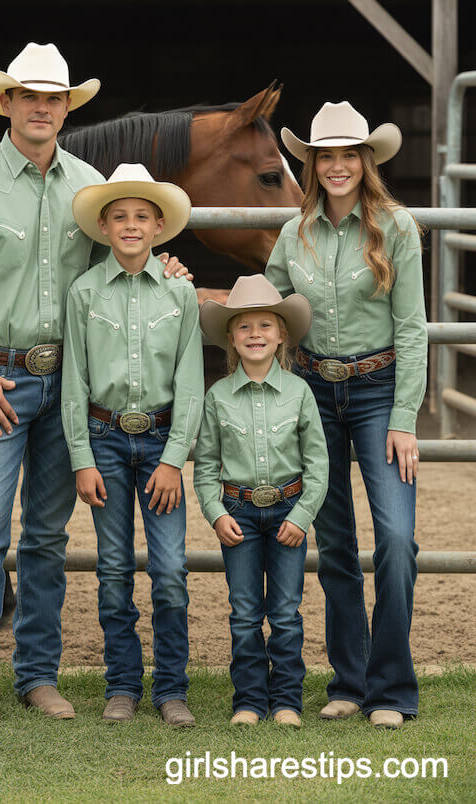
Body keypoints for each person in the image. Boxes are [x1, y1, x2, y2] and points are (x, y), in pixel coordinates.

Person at [0, 44, 190, 734]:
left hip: (66, 384)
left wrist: (168, 271)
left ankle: (37, 675)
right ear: (6, 103)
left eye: (55, 99)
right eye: (30, 97)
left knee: (44, 535)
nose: (43, 108)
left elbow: (121, 266)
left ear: (67, 109)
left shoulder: (89, 188)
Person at [266, 101, 428, 729]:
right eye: (324, 156)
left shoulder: (396, 227)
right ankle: (350, 681)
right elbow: (272, 310)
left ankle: (392, 687)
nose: (337, 166)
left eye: (347, 155)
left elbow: (413, 328)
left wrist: (405, 417)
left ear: (366, 161)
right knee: (334, 541)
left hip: (379, 391)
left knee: (394, 539)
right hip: (313, 394)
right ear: (312, 164)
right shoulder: (293, 234)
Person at [62, 163, 204, 727]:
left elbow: (192, 380)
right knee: (115, 568)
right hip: (105, 441)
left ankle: (172, 688)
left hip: (163, 441)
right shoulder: (84, 292)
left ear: (159, 226)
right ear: (103, 225)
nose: (130, 225)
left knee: (170, 569)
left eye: (141, 216)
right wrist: (81, 457)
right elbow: (74, 376)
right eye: (119, 216)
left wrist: (174, 460)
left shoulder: (180, 293)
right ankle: (121, 684)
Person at [193, 275, 328, 727]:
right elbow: (206, 466)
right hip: (239, 516)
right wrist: (215, 514)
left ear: (282, 334)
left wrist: (304, 515)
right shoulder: (217, 397)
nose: (255, 335)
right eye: (244, 327)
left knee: (286, 613)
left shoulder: (300, 393)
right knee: (245, 613)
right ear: (230, 337)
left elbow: (319, 464)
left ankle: (287, 699)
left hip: (290, 513)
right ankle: (249, 701)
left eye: (265, 326)